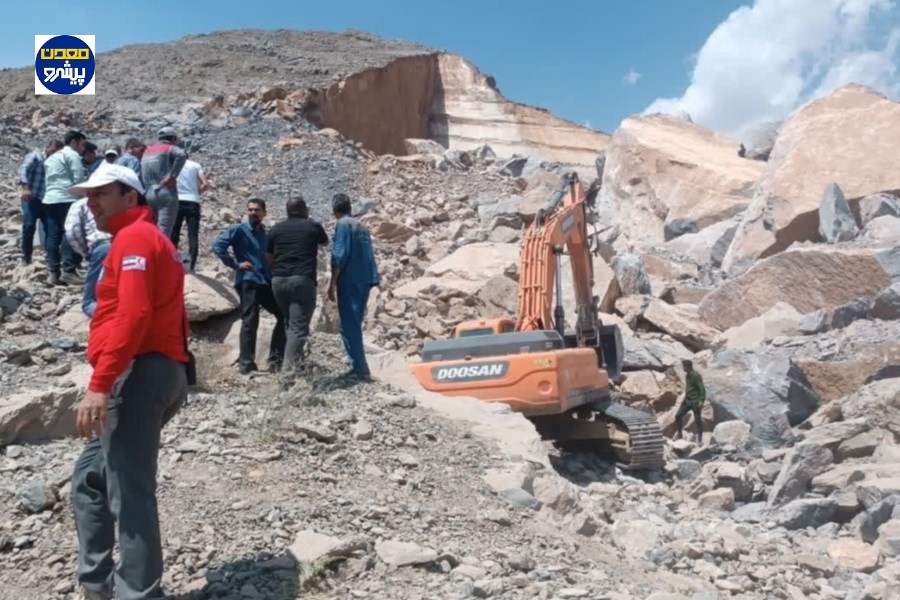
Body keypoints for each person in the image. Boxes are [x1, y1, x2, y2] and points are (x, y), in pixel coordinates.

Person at [67, 164, 189, 600]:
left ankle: (137, 593)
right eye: (88, 194)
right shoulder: (144, 239)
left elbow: (134, 314)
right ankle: (98, 586)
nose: (90, 202)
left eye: (100, 193)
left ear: (130, 197)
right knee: (90, 478)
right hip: (153, 370)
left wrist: (100, 383)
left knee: (130, 492)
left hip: (137, 375)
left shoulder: (135, 239)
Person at [212, 198, 286, 374]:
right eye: (250, 210)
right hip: (248, 280)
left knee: (283, 315)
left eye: (257, 210)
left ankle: (275, 360)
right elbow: (217, 245)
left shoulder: (265, 234)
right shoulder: (239, 230)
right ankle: (246, 364)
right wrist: (236, 264)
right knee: (250, 320)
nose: (253, 213)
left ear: (264, 213)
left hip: (264, 281)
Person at [267, 196, 328, 371]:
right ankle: (288, 375)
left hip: (278, 282)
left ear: (287, 211)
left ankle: (296, 365)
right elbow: (325, 241)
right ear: (304, 210)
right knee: (298, 329)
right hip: (301, 281)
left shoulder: (276, 229)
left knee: (289, 323)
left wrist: (276, 273)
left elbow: (269, 257)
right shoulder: (312, 226)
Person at [327, 193, 380, 380]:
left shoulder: (342, 225)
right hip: (364, 279)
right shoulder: (362, 226)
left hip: (349, 281)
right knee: (353, 323)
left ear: (335, 211)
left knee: (349, 325)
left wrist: (332, 284)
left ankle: (360, 369)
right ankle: (359, 366)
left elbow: (339, 255)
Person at [43, 130, 88, 285]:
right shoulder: (73, 155)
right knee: (69, 232)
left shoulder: (51, 158)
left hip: (50, 199)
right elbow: (78, 179)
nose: (83, 149)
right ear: (74, 142)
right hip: (67, 198)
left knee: (53, 235)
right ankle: (69, 271)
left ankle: (53, 272)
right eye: (82, 144)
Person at [16, 139, 63, 265]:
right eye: (52, 151)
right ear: (47, 147)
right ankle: (26, 257)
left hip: (48, 200)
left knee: (51, 230)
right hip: (32, 198)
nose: (54, 154)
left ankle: (51, 260)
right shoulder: (36, 157)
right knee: (29, 226)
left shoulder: (57, 163)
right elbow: (23, 170)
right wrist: (25, 189)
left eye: (57, 153)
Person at [64, 196, 112, 317]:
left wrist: (85, 253)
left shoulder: (80, 204)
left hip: (101, 247)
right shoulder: (121, 199)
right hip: (127, 244)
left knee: (89, 302)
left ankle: (110, 321)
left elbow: (72, 232)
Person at [141, 126, 187, 237]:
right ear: (173, 138)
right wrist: (172, 176)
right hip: (164, 191)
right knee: (164, 229)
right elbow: (181, 155)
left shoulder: (148, 151)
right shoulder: (169, 147)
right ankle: (160, 253)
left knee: (152, 227)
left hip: (148, 193)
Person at [171, 153, 209, 272]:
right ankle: (190, 266)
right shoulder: (195, 165)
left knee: (174, 233)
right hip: (193, 201)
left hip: (177, 201)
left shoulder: (173, 165)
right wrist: (196, 193)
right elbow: (205, 184)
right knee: (192, 235)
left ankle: (171, 262)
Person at [676, 359, 707, 444]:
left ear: (687, 366)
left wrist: (701, 401)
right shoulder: (687, 376)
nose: (683, 368)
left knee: (698, 421)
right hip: (687, 401)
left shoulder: (696, 376)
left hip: (695, 401)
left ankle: (700, 440)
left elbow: (702, 389)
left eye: (683, 366)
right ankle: (680, 435)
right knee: (678, 416)